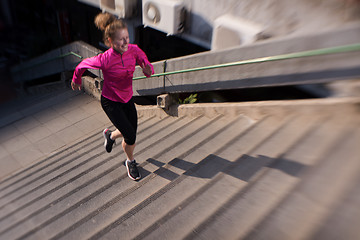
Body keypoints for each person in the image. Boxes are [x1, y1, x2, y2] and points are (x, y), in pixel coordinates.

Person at [71, 13, 154, 181]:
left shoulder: (134, 50)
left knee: (130, 133)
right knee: (130, 137)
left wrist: (148, 69)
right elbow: (81, 65)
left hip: (127, 99)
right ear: (109, 41)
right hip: (111, 102)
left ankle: (110, 135)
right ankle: (130, 161)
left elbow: (146, 64)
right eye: (120, 39)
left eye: (126, 37)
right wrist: (76, 80)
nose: (125, 42)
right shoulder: (104, 59)